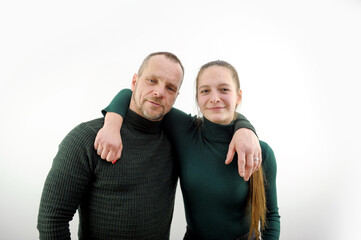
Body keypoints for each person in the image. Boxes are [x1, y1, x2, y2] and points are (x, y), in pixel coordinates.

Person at [37, 52, 261, 240]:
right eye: (152, 80)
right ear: (134, 82)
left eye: (170, 88)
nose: (159, 92)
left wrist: (245, 128)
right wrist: (113, 122)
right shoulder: (86, 138)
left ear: (176, 97)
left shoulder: (176, 137)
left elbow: (219, 120)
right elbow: (52, 221)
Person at [96, 60, 280, 239]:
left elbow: (271, 217)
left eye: (224, 89)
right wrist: (111, 125)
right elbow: (131, 94)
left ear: (238, 96)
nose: (215, 98)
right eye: (205, 91)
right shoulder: (186, 131)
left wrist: (245, 128)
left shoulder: (259, 152)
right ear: (197, 98)